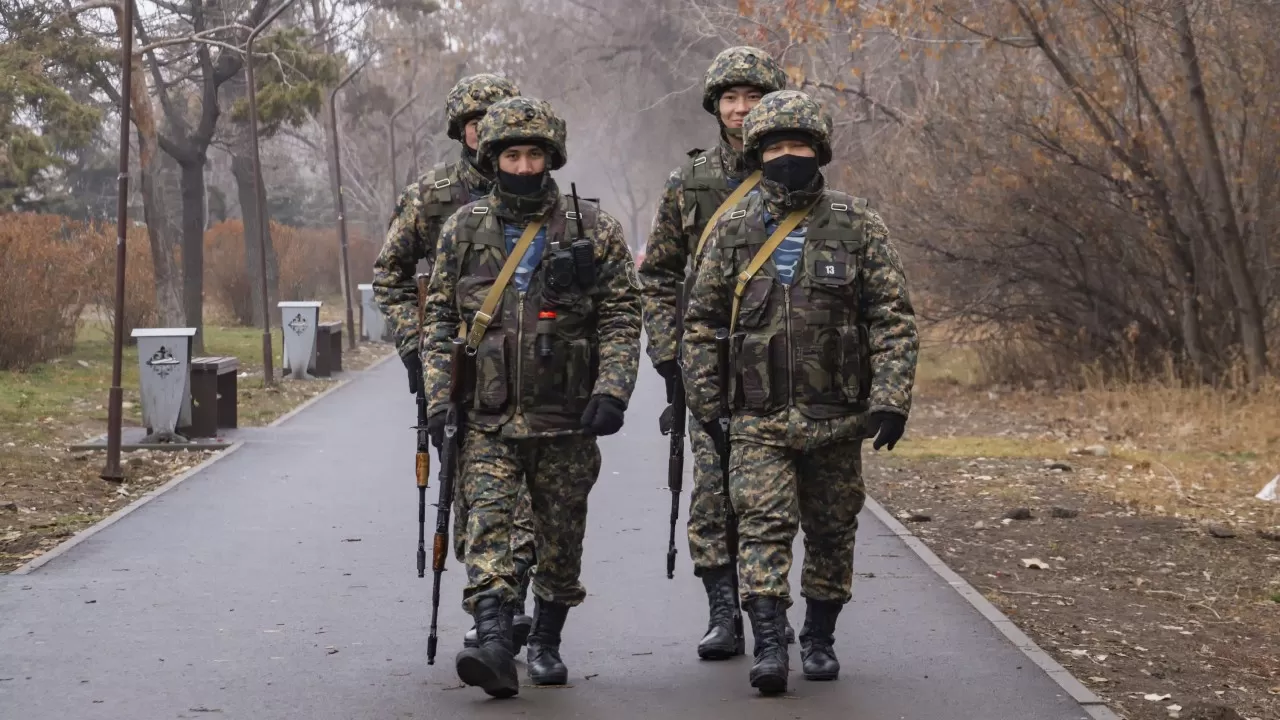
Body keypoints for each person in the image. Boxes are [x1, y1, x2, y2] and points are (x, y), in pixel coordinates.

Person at [680, 89, 919, 695]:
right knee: (762, 527)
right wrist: (708, 406)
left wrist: (890, 400)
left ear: (820, 151)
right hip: (755, 418)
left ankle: (818, 636)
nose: (789, 156)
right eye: (777, 146)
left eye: (800, 145)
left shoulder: (858, 224)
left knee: (833, 529)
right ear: (759, 152)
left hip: (836, 416)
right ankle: (768, 644)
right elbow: (702, 323)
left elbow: (891, 317)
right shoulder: (732, 229)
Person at [420, 95, 642, 698]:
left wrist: (614, 389)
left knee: (560, 540)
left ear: (551, 157)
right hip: (487, 418)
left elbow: (622, 314)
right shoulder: (462, 231)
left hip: (567, 419)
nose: (523, 166)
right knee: (489, 528)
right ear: (492, 158)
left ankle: (545, 639)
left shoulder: (593, 229)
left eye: (533, 154)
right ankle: (493, 640)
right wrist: (441, 400)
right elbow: (439, 321)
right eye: (511, 154)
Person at [370, 73, 538, 652]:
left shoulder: (537, 190)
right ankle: (493, 598)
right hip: (455, 370)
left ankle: (505, 600)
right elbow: (389, 276)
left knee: (522, 495)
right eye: (476, 123)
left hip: (527, 368)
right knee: (467, 486)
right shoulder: (432, 196)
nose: (487, 131)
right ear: (463, 132)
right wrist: (416, 346)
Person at [636, 45, 794, 658]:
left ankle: (772, 614)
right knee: (712, 489)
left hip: (781, 363)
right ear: (714, 106)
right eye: (730, 98)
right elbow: (657, 275)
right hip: (709, 360)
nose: (740, 108)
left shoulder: (795, 168)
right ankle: (724, 613)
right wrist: (670, 355)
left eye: (752, 97)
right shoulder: (691, 181)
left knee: (773, 496)